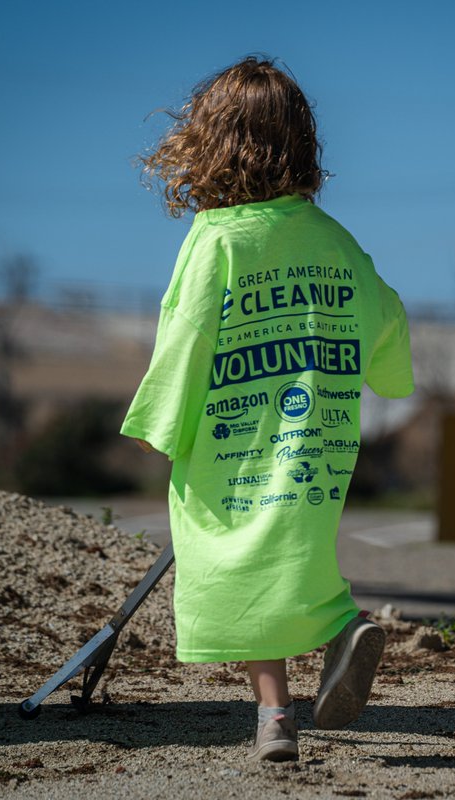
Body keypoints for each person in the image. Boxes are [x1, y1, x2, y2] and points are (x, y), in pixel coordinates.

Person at [121, 56, 414, 763]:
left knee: (234, 565)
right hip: (315, 442)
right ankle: (343, 627)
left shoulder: (217, 240)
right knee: (293, 559)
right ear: (302, 145)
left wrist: (161, 426)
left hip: (233, 444)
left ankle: (275, 715)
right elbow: (389, 323)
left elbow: (186, 336)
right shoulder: (336, 244)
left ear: (210, 143)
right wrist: (382, 372)